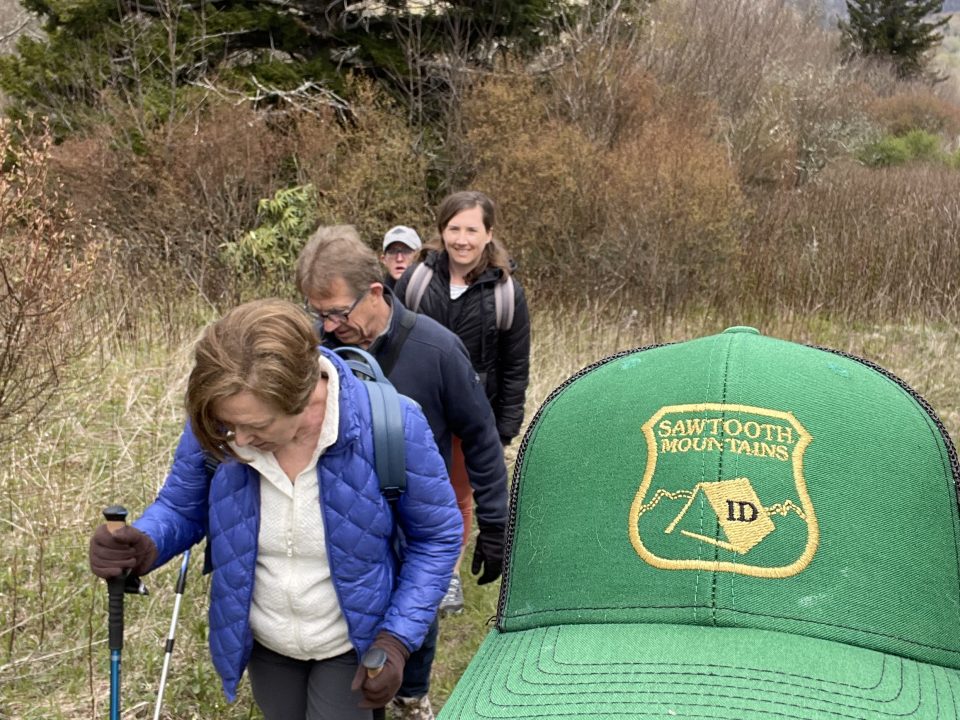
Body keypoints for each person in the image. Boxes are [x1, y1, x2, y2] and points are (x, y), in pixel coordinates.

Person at [87, 298, 462, 720]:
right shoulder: (221, 421)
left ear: (304, 396)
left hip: (350, 641)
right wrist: (144, 544)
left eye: (259, 426)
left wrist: (397, 638)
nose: (239, 441)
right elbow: (181, 506)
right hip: (266, 643)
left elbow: (437, 538)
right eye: (229, 425)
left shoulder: (392, 425)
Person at [295, 227, 509, 720]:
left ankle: (412, 698)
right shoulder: (313, 351)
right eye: (317, 312)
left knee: (416, 623)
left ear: (375, 293)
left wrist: (494, 524)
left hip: (413, 520)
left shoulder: (436, 350)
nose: (326, 326)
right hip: (342, 525)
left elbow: (479, 437)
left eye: (335, 312)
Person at [394, 190, 530, 614]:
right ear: (441, 232)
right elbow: (390, 341)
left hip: (472, 415)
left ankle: (447, 576)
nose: (462, 239)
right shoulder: (415, 280)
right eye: (454, 229)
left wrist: (504, 426)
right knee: (405, 489)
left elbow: (515, 367)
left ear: (489, 234)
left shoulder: (506, 294)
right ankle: (402, 564)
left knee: (456, 496)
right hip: (413, 409)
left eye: (472, 229)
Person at [380, 225, 422, 290]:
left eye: (406, 251)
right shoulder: (376, 295)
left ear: (418, 257)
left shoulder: (432, 291)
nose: (399, 259)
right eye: (392, 252)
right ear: (384, 259)